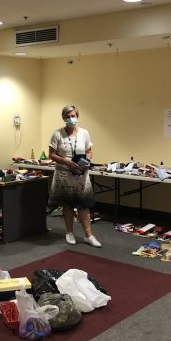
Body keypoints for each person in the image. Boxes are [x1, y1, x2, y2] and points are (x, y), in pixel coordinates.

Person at [48, 104, 101, 247]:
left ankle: (89, 236)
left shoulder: (84, 133)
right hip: (64, 174)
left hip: (81, 174)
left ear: (77, 116)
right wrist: (65, 161)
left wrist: (88, 160)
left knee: (84, 205)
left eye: (73, 116)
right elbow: (51, 154)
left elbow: (88, 150)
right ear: (64, 118)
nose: (71, 119)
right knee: (68, 204)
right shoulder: (57, 134)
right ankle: (69, 233)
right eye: (68, 116)